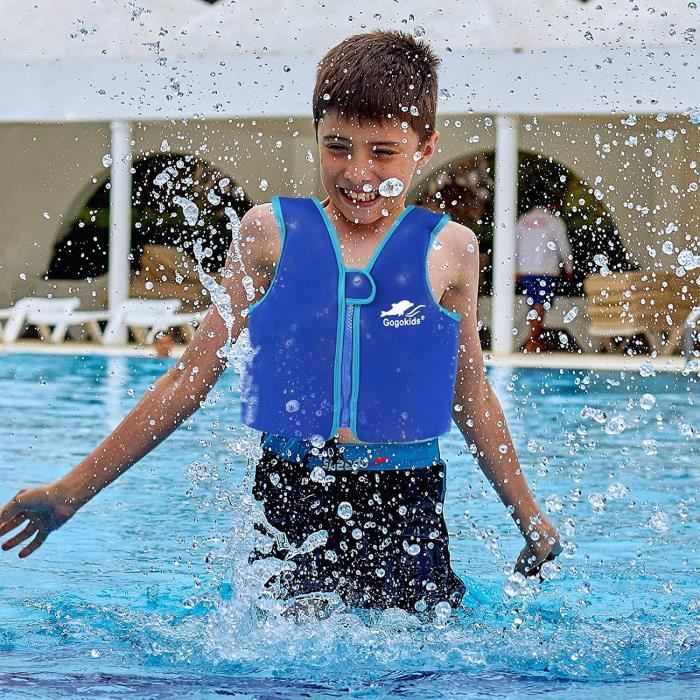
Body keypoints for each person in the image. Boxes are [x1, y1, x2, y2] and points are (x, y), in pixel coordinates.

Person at [0, 31, 561, 614]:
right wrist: (71, 493)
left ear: (425, 147)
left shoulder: (451, 249)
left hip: (406, 503)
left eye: (384, 151)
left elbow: (469, 393)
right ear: (316, 134)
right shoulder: (269, 234)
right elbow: (186, 381)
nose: (359, 172)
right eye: (338, 147)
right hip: (292, 493)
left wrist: (529, 517)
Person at [515, 199, 574, 353]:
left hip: (526, 269)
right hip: (546, 270)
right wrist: (569, 267)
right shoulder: (554, 221)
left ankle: (534, 338)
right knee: (540, 304)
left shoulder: (523, 221)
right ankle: (533, 340)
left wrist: (515, 268)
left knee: (532, 304)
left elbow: (514, 245)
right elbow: (564, 245)